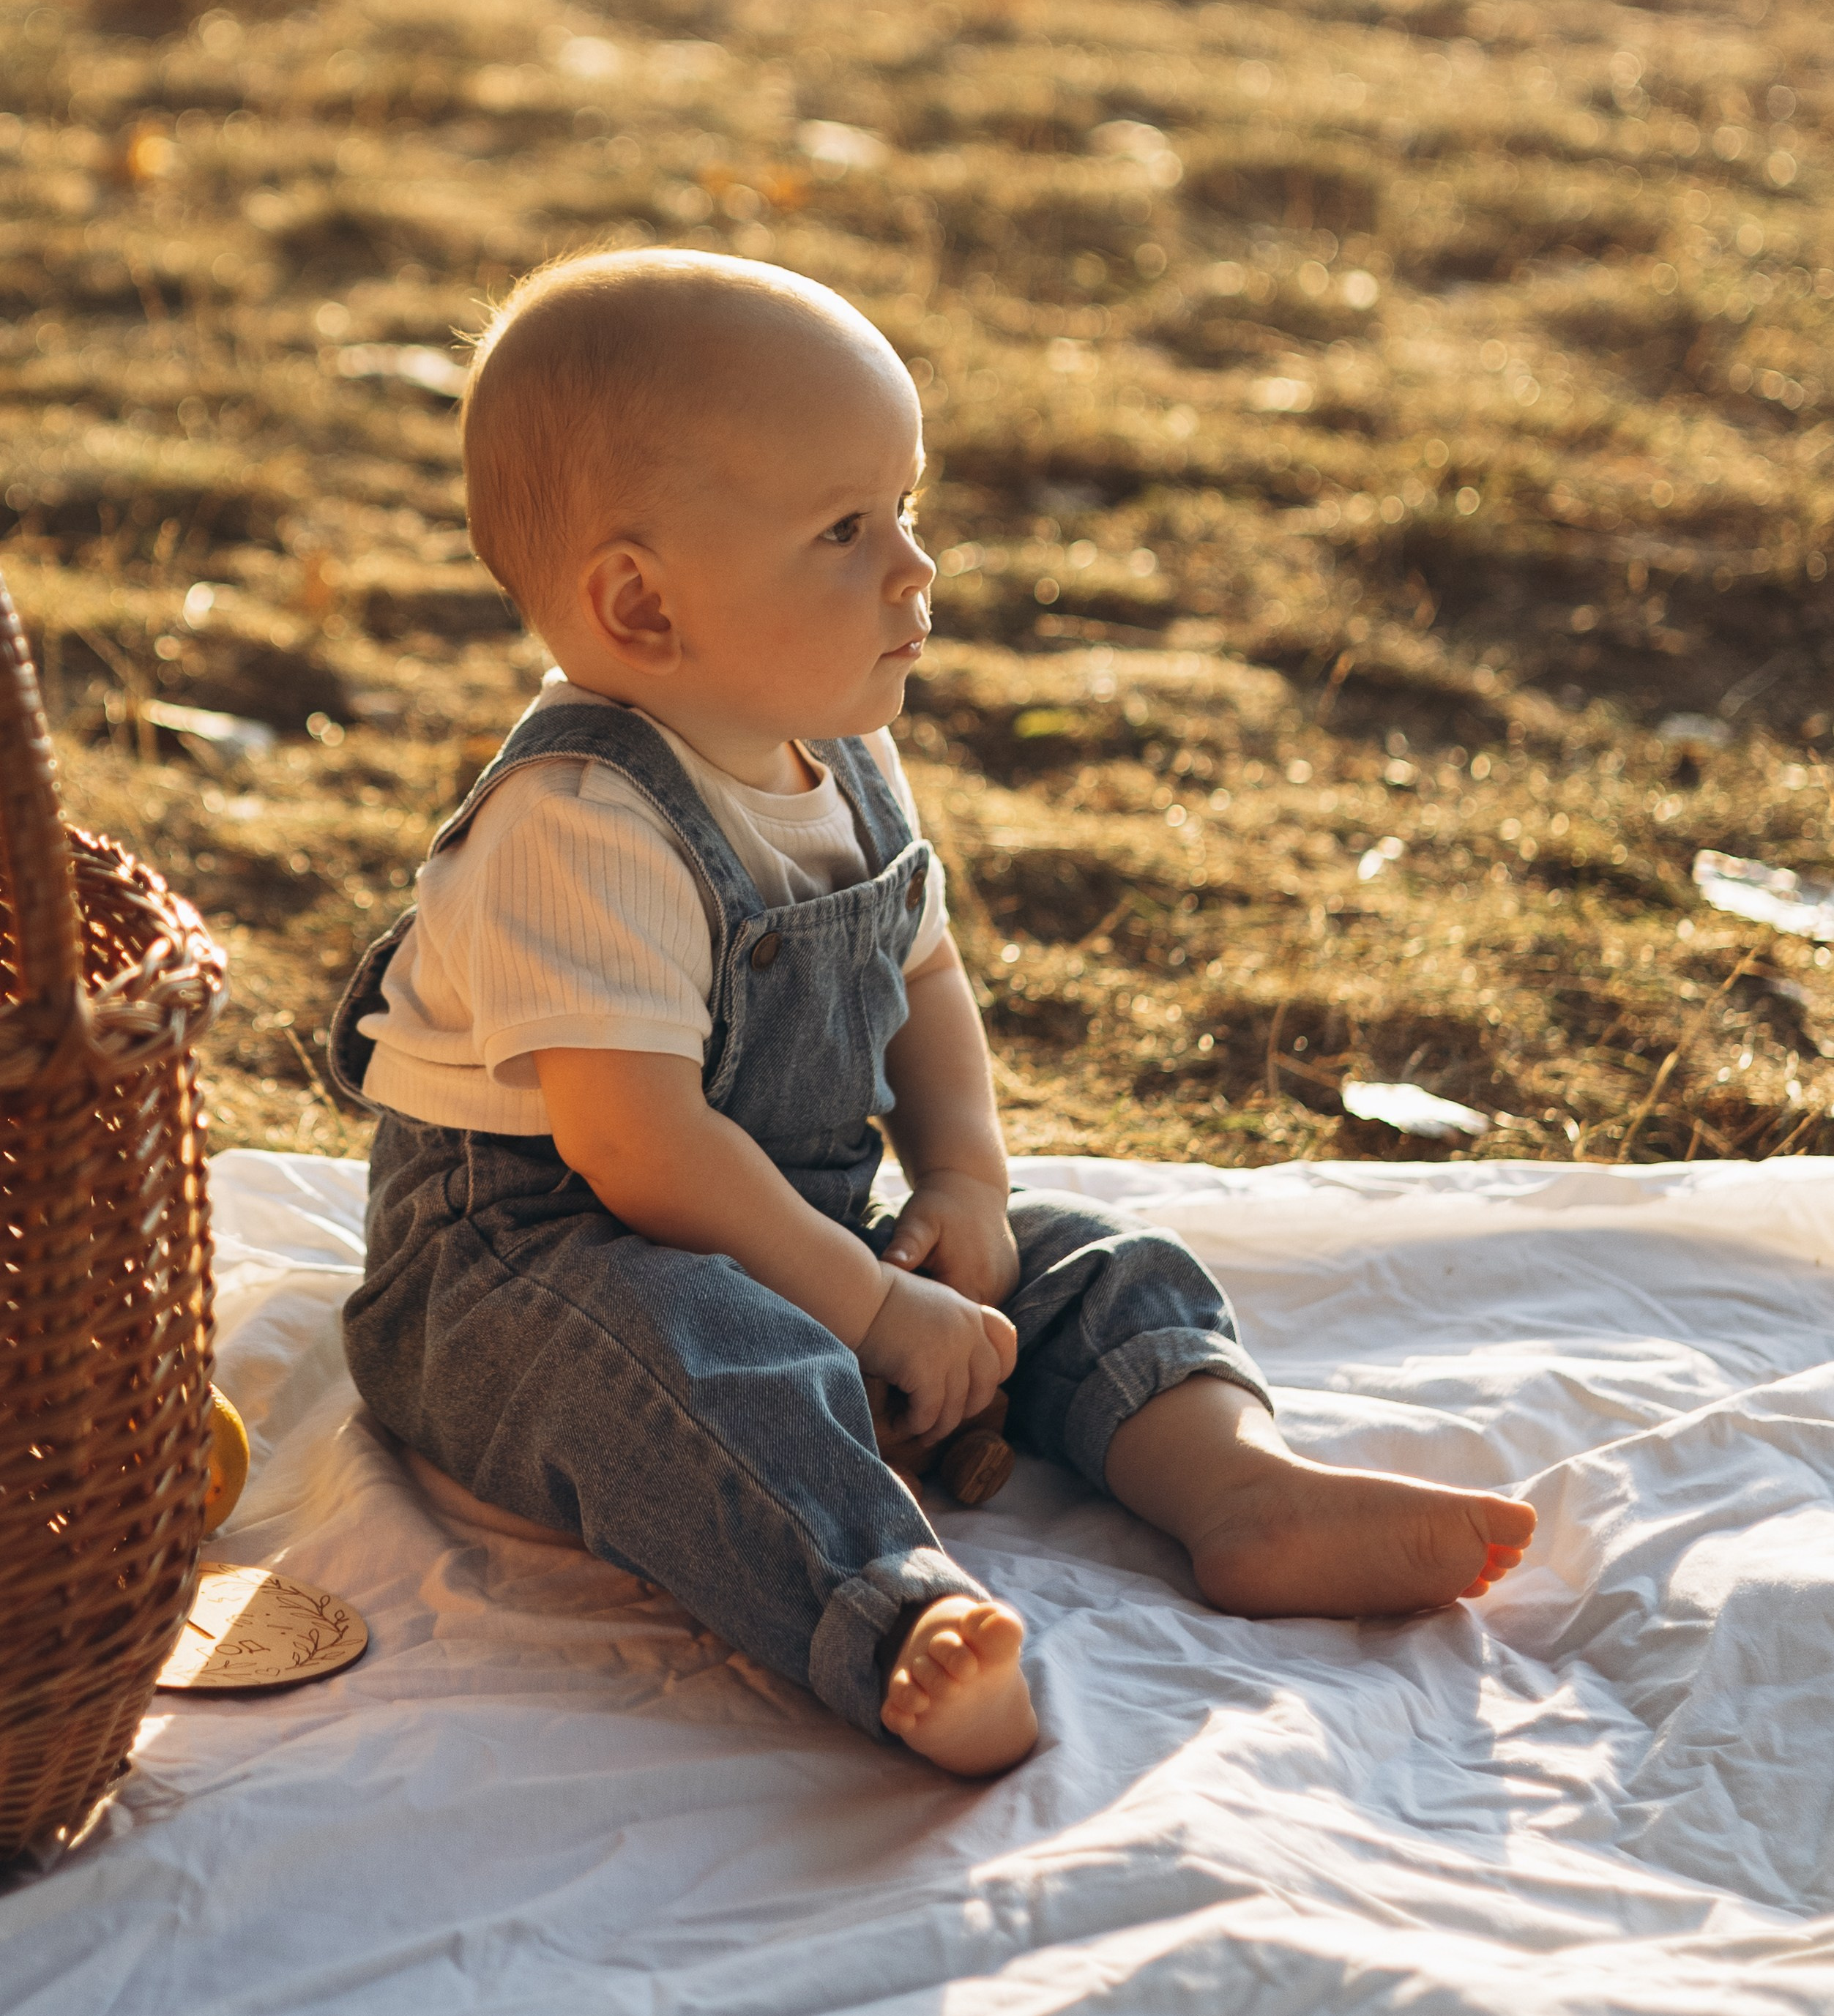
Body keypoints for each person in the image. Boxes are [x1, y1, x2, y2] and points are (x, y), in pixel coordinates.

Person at [329, 248, 1536, 1777]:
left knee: (1084, 1257)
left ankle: (1239, 1485)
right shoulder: (580, 822)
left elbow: (921, 976)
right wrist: (869, 1305)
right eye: (846, 529)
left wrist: (959, 1185)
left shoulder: (835, 749)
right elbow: (636, 1149)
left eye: (909, 509)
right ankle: (891, 1614)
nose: (915, 569)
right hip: (532, 1268)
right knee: (707, 1368)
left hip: (795, 1220)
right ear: (639, 603)